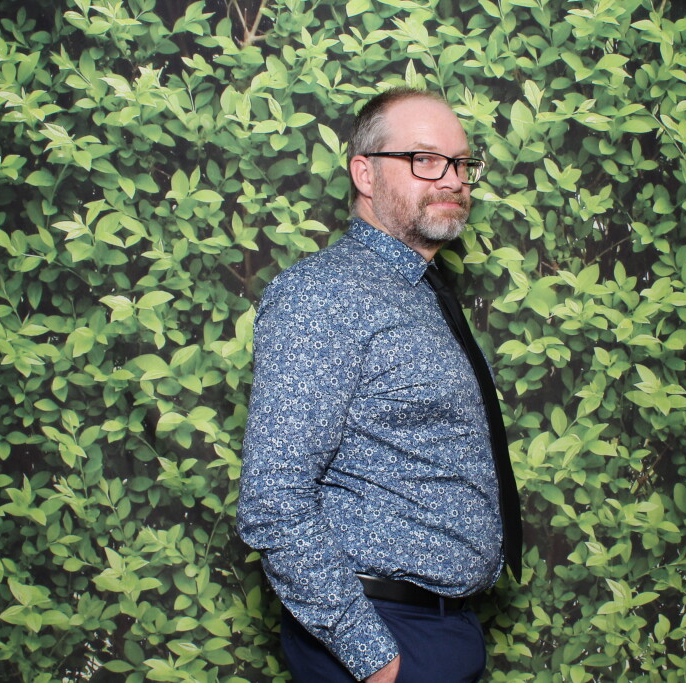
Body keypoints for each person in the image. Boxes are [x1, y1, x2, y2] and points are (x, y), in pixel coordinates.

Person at [237, 87, 521, 682]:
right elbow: (274, 497)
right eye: (425, 160)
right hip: (386, 636)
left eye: (462, 163)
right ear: (364, 174)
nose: (452, 179)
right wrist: (373, 657)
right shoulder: (324, 295)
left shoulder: (422, 292)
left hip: (440, 631)